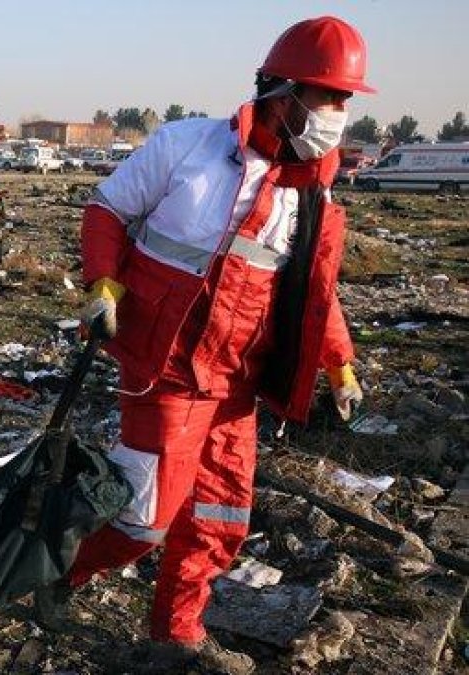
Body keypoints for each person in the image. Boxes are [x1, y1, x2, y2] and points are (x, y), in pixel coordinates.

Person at [33, 17, 372, 674]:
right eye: (330, 97)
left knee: (218, 519)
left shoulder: (313, 195)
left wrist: (341, 362)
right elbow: (106, 208)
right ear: (283, 89)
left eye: (346, 100)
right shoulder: (187, 148)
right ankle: (59, 569)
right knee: (143, 518)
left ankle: (175, 632)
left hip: (236, 385)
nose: (339, 114)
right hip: (165, 368)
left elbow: (313, 293)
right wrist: (103, 285)